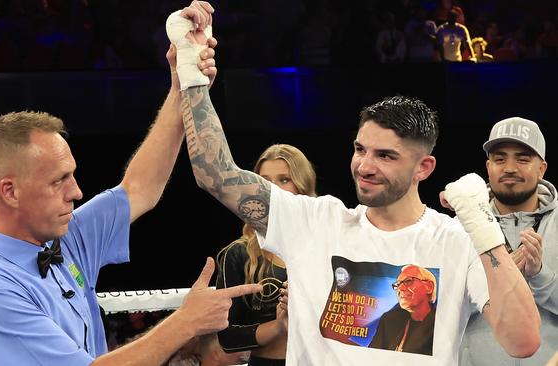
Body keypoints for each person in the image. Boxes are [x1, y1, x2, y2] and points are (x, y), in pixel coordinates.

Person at [166, 7, 540, 363]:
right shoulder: (315, 221)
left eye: (386, 156)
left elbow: (522, 342)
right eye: (361, 149)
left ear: (423, 168)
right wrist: (191, 69)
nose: (365, 166)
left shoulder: (457, 241)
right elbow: (214, 173)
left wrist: (483, 226)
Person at [0, 2, 261, 366]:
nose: (76, 192)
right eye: (58, 180)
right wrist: (185, 322)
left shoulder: (64, 237)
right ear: (10, 191)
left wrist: (181, 81)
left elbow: (139, 188)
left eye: (72, 175)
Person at [460, 117, 557, 365]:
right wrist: (495, 279)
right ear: (488, 166)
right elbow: (440, 309)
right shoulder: (460, 226)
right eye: (499, 159)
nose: (510, 167)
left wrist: (540, 276)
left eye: (523, 158)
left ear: (542, 168)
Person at [216, 144, 317, 365]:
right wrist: (278, 327)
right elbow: (228, 337)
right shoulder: (238, 254)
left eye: (284, 179)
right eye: (265, 181)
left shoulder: (327, 245)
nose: (273, 190)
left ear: (303, 185)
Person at [369, 265, 437, 355]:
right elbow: (372, 356)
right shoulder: (389, 320)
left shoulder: (441, 323)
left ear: (429, 287)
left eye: (408, 281)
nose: (400, 289)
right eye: (398, 284)